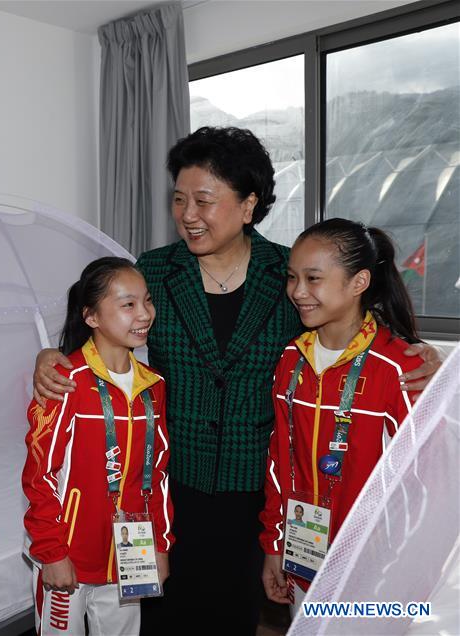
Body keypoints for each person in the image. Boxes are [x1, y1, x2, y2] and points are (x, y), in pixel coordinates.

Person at [32, 127, 442, 634]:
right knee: (160, 616)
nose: (187, 214)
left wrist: (424, 353)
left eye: (203, 200)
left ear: (248, 205)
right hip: (169, 484)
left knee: (234, 614)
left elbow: (352, 327)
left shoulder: (289, 274)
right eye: (179, 199)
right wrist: (51, 355)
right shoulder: (156, 271)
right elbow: (103, 334)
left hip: (257, 490)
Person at [260, 218, 423, 612]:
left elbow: (419, 482)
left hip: (374, 569)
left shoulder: (398, 368)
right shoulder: (290, 361)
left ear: (358, 283)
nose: (298, 292)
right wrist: (274, 545)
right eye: (292, 277)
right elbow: (280, 462)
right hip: (304, 557)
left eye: (313, 278)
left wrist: (401, 566)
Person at [22, 257, 173, 636]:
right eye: (128, 305)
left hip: (130, 555)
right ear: (91, 316)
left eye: (147, 301)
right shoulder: (63, 381)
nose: (144, 314)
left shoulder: (153, 384)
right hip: (68, 555)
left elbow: (157, 475)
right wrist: (52, 552)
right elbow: (39, 477)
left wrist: (161, 543)